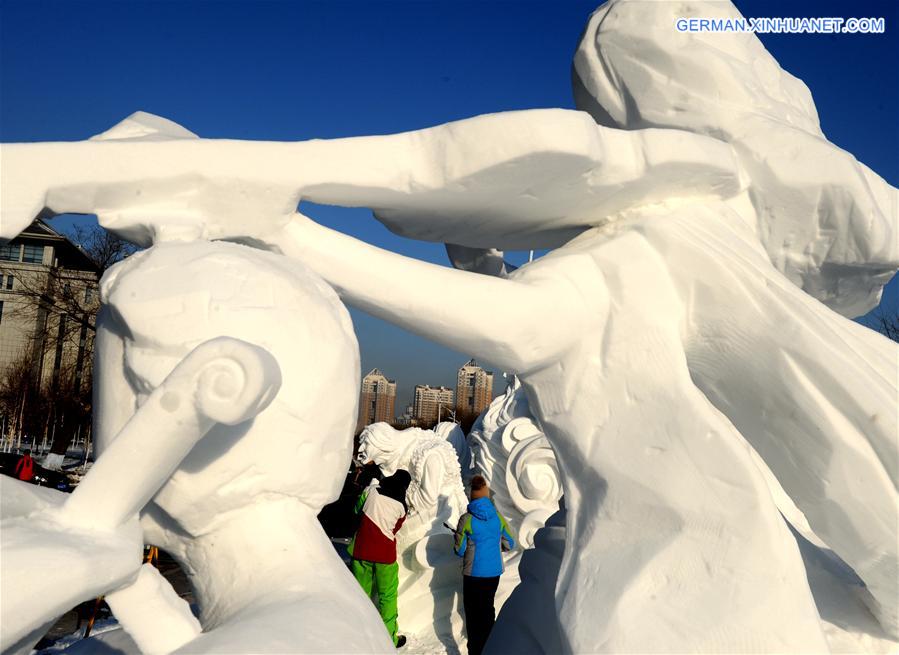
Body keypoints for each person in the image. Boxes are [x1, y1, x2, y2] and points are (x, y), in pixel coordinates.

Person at [349, 469, 411, 649]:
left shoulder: (371, 490)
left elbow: (356, 510)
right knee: (387, 597)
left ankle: (357, 633)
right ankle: (389, 640)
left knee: (360, 593)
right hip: (385, 556)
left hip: (361, 550)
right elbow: (394, 529)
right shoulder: (402, 507)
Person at [454, 475, 515, 655]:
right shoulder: (497, 517)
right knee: (487, 611)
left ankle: (476, 651)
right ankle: (491, 648)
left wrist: (458, 538)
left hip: (473, 574)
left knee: (473, 616)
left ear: (471, 496)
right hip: (494, 572)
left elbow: (459, 549)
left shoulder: (467, 519)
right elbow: (510, 543)